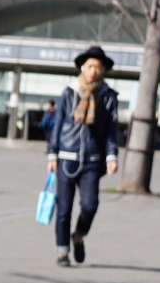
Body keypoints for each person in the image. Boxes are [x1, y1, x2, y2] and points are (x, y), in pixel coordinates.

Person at [46, 46, 120, 266]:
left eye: (98, 67)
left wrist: (111, 156)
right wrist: (52, 154)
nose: (93, 71)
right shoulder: (69, 93)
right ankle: (62, 252)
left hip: (92, 160)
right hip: (66, 157)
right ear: (82, 68)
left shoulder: (108, 97)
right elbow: (57, 125)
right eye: (90, 66)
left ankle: (78, 235)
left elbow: (111, 130)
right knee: (64, 209)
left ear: (103, 69)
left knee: (90, 205)